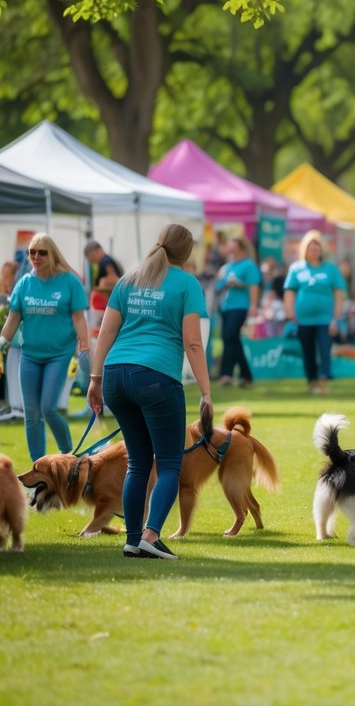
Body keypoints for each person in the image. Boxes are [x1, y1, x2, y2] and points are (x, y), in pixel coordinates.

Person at [87, 223, 211, 559]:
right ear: (186, 253)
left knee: (138, 463)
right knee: (169, 464)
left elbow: (106, 332)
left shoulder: (129, 279)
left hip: (115, 376)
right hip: (155, 377)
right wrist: (206, 392)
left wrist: (95, 378)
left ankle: (133, 538)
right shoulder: (187, 283)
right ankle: (151, 535)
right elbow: (193, 344)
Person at [0, 234, 88, 460]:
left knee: (48, 408)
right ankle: (38, 470)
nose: (36, 256)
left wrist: (82, 352)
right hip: (30, 355)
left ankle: (68, 454)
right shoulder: (25, 283)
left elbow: (79, 320)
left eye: (42, 252)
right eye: (32, 252)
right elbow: (13, 320)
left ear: (52, 255)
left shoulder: (69, 282)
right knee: (31, 415)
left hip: (59, 354)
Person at [283, 230, 345, 396]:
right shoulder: (296, 269)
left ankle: (323, 380)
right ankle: (312, 381)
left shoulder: (331, 269)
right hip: (303, 320)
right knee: (308, 352)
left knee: (325, 351)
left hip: (325, 319)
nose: (314, 250)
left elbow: (339, 294)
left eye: (317, 247)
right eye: (311, 247)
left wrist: (336, 318)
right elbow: (289, 292)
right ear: (305, 249)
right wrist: (290, 313)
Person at [216, 236, 261, 387]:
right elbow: (219, 285)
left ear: (240, 246)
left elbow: (253, 285)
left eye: (232, 244)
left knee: (230, 336)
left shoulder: (248, 265)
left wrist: (253, 305)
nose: (229, 247)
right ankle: (245, 375)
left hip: (241, 306)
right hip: (227, 306)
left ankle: (226, 374)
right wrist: (222, 281)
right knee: (231, 339)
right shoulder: (228, 266)